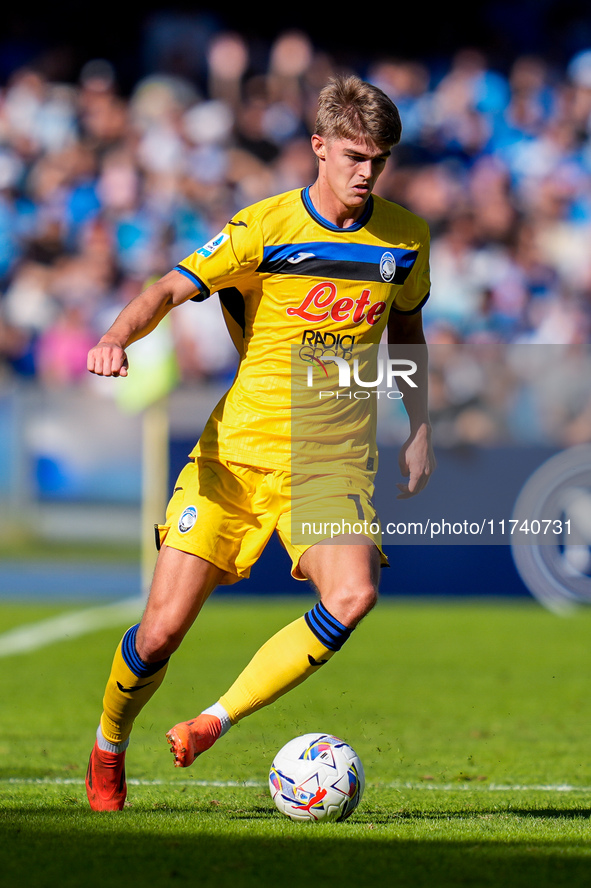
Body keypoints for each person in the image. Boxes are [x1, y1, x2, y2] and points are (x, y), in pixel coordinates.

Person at [84, 74, 435, 811]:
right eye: (353, 155)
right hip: (236, 458)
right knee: (159, 634)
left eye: (379, 158)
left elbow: (406, 328)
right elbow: (167, 290)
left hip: (328, 460)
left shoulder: (405, 238)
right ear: (318, 147)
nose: (366, 172)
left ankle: (214, 719)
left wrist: (418, 426)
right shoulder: (264, 229)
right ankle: (109, 744)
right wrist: (117, 336)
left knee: (354, 594)